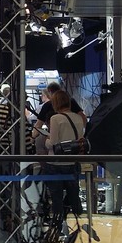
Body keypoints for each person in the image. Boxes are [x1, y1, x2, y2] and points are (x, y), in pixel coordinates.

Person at [42, 87, 87, 220]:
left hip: (56, 163)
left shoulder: (56, 118)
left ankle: (58, 226)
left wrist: (46, 140)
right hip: (73, 162)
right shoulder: (79, 118)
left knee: (56, 198)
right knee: (74, 195)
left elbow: (53, 143)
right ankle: (79, 223)